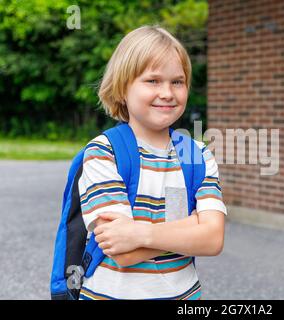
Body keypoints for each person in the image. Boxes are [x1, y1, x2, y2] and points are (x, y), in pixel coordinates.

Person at [77, 25, 227, 300]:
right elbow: (123, 252)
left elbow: (213, 239)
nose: (168, 93)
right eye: (153, 81)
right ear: (123, 88)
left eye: (177, 82)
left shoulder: (197, 154)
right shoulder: (104, 152)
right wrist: (192, 226)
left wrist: (140, 234)